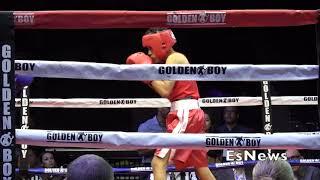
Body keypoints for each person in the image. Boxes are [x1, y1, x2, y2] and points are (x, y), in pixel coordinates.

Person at [126, 28, 215, 180]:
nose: (148, 53)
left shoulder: (175, 58)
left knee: (158, 162)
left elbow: (166, 91)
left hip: (186, 114)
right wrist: (147, 76)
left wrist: (147, 73)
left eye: (149, 48)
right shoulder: (172, 60)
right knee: (201, 167)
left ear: (161, 44)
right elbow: (164, 88)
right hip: (190, 113)